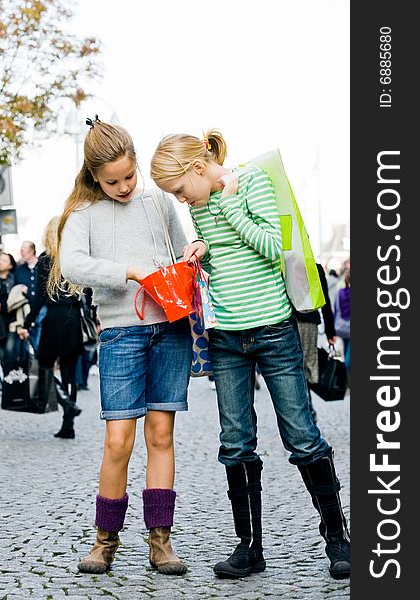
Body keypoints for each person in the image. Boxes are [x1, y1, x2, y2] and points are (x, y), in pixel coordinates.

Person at [150, 130, 350, 580]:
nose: (183, 201)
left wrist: (232, 206)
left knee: (302, 436)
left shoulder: (253, 181)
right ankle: (250, 547)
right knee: (235, 443)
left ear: (197, 168)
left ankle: (338, 539)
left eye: (181, 191)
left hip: (274, 332)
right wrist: (201, 251)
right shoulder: (201, 206)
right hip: (226, 341)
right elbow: (224, 259)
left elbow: (273, 249)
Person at [51, 117, 192, 575]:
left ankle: (161, 543)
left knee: (161, 435)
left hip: (168, 330)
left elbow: (182, 248)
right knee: (117, 440)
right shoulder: (84, 214)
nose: (125, 186)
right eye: (112, 181)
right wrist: (129, 272)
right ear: (95, 176)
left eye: (130, 176)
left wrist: (195, 255)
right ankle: (104, 541)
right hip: (120, 333)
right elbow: (72, 263)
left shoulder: (157, 201)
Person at [17, 217, 83, 439]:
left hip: (54, 319)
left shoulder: (46, 260)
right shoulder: (76, 255)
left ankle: (66, 403)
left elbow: (39, 299)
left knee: (44, 367)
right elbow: (89, 292)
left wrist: (27, 323)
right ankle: (69, 423)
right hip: (73, 320)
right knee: (69, 372)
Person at [294, 262, 337, 422]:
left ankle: (305, 409)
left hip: (289, 320)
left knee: (295, 366)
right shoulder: (314, 267)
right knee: (307, 367)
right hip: (309, 322)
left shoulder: (288, 265)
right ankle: (307, 409)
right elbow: (324, 300)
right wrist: (330, 332)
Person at [14, 240, 45, 351]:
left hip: (42, 307)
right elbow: (14, 286)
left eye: (24, 249)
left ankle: (39, 357)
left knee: (40, 332)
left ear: (32, 250)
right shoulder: (19, 270)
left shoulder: (42, 266)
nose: (21, 252)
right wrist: (20, 288)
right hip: (25, 308)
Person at [333, 269, 350, 378]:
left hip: (340, 327)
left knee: (345, 351)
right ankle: (346, 377)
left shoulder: (339, 293)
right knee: (348, 357)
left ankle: (347, 379)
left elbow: (335, 310)